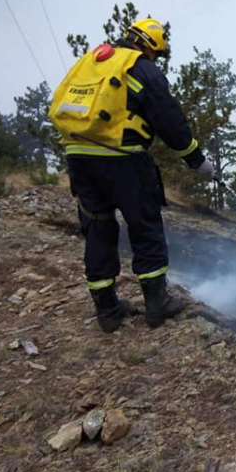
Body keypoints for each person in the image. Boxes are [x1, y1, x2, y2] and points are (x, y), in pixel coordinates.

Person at [57, 18, 214, 332]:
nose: (156, 58)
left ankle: (107, 310)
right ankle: (157, 303)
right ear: (149, 46)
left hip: (79, 157)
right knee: (145, 224)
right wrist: (196, 160)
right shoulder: (141, 68)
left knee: (98, 228)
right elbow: (169, 120)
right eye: (157, 52)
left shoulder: (95, 62)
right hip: (122, 159)